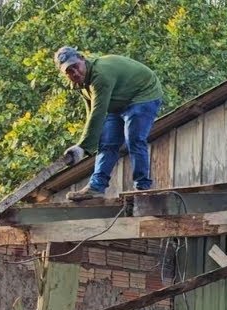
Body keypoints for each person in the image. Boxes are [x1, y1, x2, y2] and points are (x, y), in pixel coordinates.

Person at [55, 46, 164, 201]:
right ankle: (96, 188)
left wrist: (83, 147)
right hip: (118, 101)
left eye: (76, 67)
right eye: (69, 72)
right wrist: (83, 145)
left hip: (143, 93)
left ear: (82, 59)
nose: (75, 73)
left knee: (134, 138)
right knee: (106, 143)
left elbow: (98, 113)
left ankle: (142, 186)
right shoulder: (79, 84)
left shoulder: (100, 75)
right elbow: (91, 113)